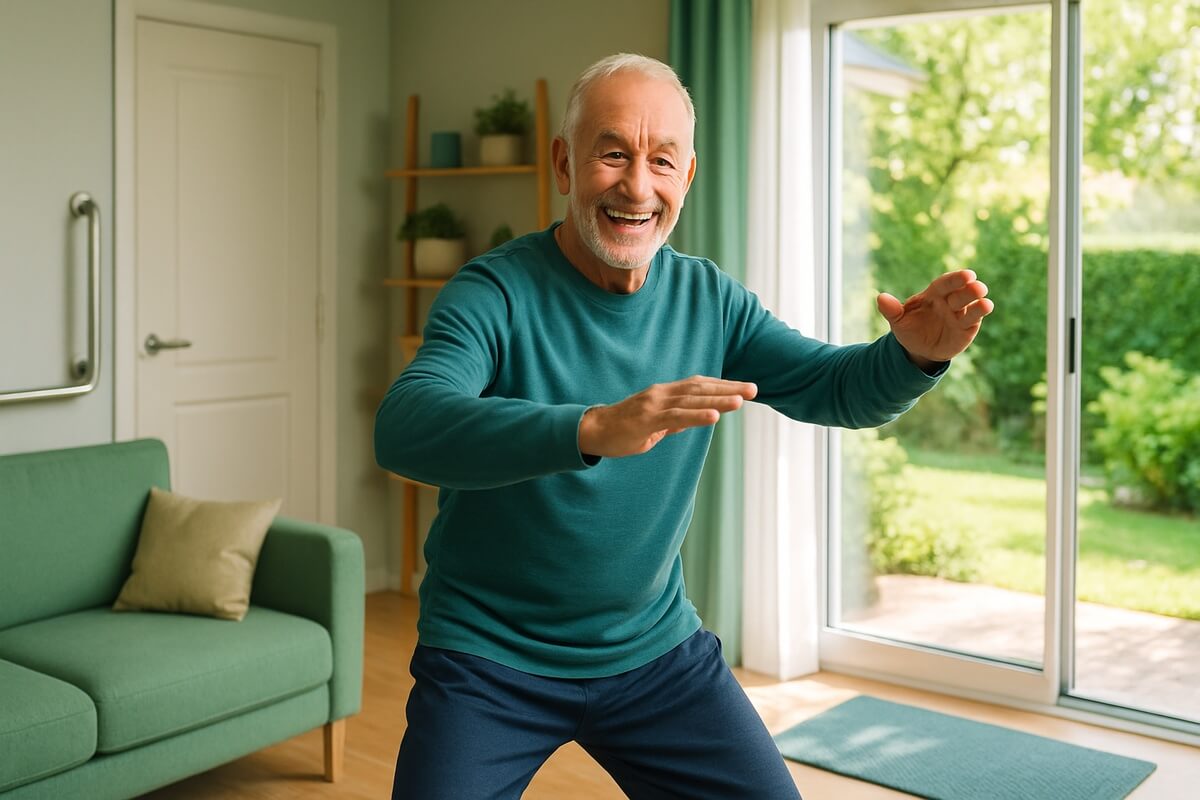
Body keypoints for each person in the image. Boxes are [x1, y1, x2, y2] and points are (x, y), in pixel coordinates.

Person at [375, 53, 992, 800]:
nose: (638, 186)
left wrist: (910, 358)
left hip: (653, 653)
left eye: (661, 160)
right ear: (565, 164)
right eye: (613, 154)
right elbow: (406, 424)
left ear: (687, 178)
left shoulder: (710, 299)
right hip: (488, 659)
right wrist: (591, 428)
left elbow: (834, 387)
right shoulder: (494, 293)